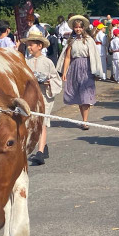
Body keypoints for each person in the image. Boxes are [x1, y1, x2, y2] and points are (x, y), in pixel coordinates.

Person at [61, 15, 104, 130]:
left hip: (86, 68)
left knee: (86, 94)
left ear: (83, 28)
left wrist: (95, 71)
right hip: (75, 68)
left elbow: (94, 56)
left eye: (80, 27)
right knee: (79, 95)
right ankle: (83, 118)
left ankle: (85, 121)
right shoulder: (71, 40)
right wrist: (64, 71)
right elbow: (68, 57)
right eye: (76, 27)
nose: (78, 29)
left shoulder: (89, 40)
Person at [25, 34, 61, 166]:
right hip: (30, 96)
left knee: (42, 122)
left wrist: (48, 82)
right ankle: (42, 146)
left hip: (44, 96)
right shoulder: (26, 62)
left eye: (31, 44)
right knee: (31, 122)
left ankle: (39, 152)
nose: (29, 47)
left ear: (39, 46)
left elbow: (56, 79)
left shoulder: (47, 62)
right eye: (28, 44)